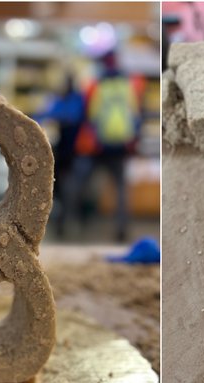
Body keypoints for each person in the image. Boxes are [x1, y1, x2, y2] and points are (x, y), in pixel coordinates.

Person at [65, 49, 142, 242]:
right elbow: (137, 114)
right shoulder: (130, 85)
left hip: (93, 147)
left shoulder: (93, 85)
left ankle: (70, 224)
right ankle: (121, 228)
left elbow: (85, 116)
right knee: (121, 189)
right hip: (120, 145)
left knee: (77, 184)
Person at [31, 74, 85, 237]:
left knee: (67, 190)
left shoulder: (67, 101)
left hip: (70, 153)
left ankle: (67, 220)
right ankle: (63, 221)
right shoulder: (69, 100)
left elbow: (53, 116)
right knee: (62, 189)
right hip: (64, 153)